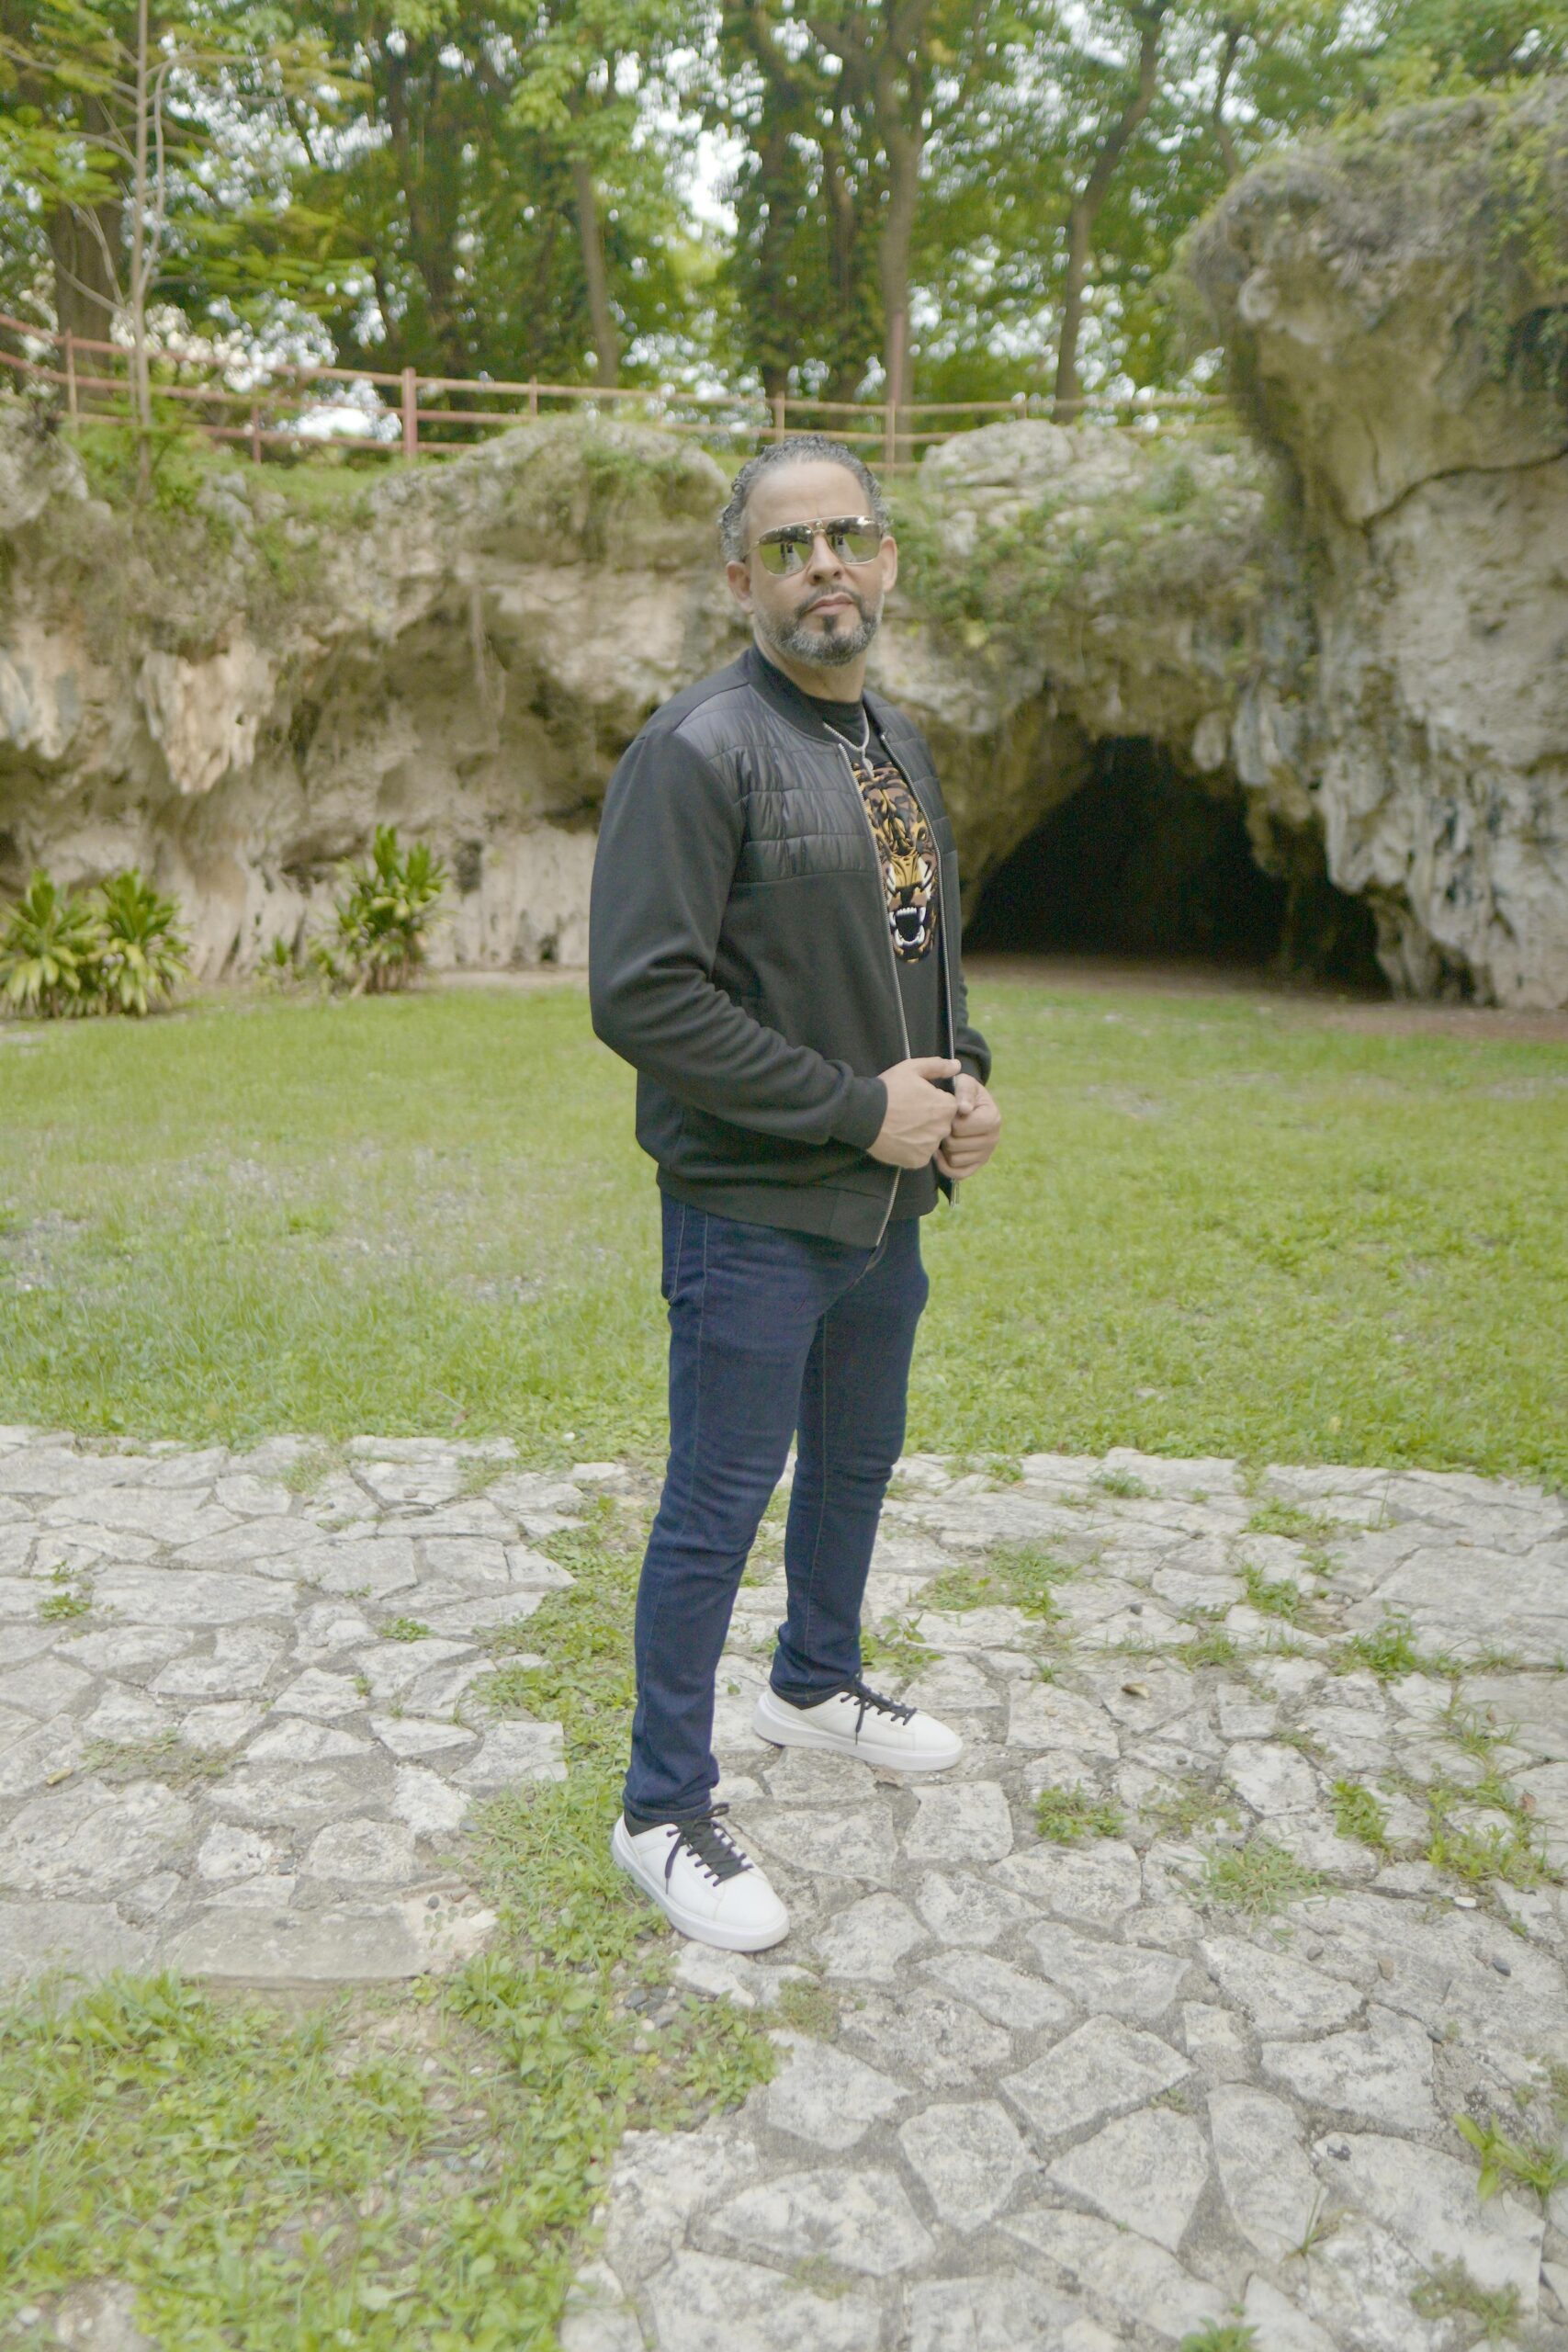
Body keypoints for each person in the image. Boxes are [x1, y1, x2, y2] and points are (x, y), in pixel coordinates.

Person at [588, 434, 1002, 1951]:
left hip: (884, 1209)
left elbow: (918, 949)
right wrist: (853, 1109)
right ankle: (660, 1808)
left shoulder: (895, 744)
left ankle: (816, 1682)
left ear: (885, 559)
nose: (824, 565)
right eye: (788, 545)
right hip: (753, 1209)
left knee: (855, 1462)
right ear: (740, 578)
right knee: (719, 1500)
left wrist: (963, 1077)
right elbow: (643, 997)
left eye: (847, 537)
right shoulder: (696, 752)